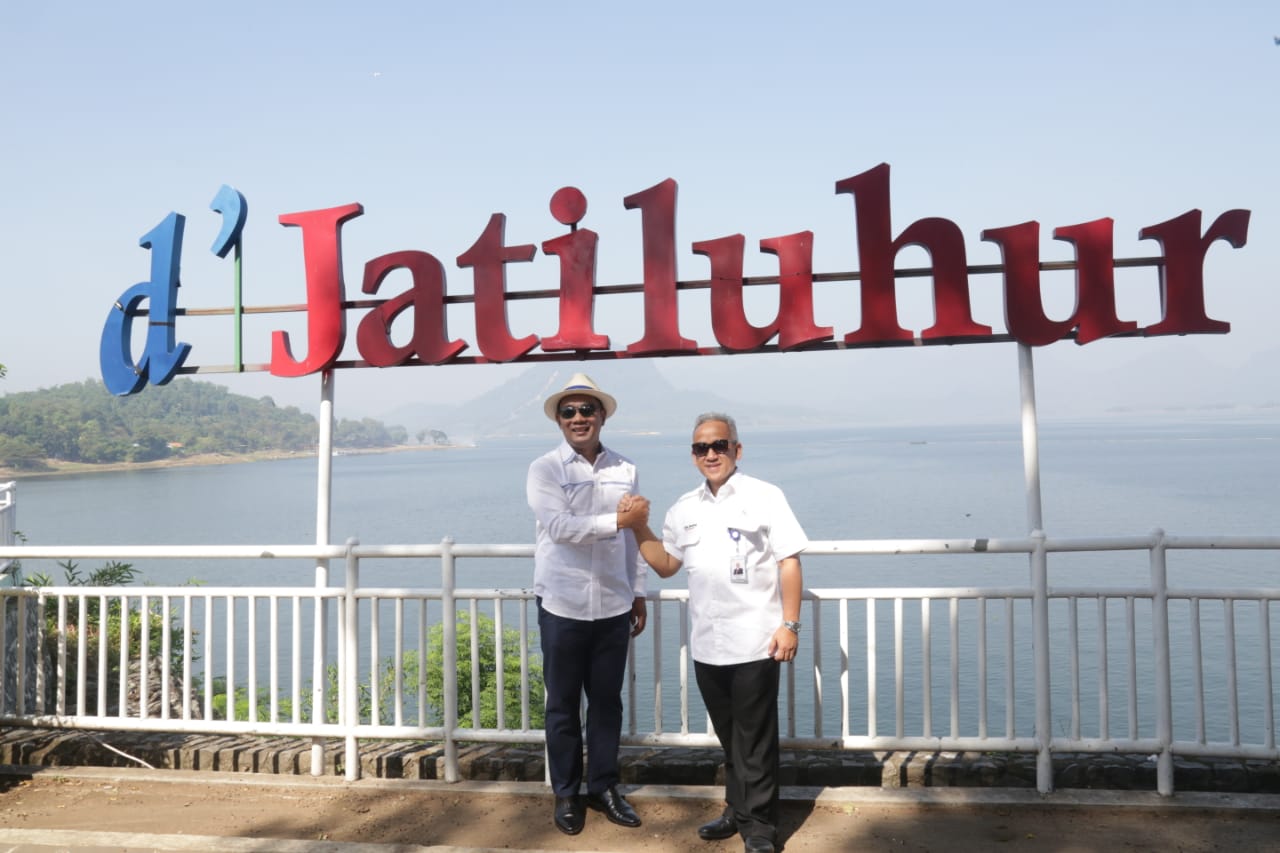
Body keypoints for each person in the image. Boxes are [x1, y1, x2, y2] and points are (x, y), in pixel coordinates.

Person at [632, 412, 807, 853]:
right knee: (730, 737)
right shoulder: (683, 508)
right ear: (693, 455)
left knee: (756, 739)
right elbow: (667, 564)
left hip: (757, 640)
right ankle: (736, 809)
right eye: (701, 448)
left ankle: (760, 826)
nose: (710, 454)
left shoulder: (765, 496)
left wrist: (789, 624)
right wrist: (637, 526)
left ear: (736, 449)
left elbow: (789, 561)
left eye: (719, 445)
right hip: (708, 643)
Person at [526, 372, 650, 836]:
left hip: (614, 603)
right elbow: (560, 528)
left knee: (606, 704)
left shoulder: (626, 468)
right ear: (559, 420)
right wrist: (618, 519)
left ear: (602, 415)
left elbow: (633, 540)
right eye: (569, 411)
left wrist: (638, 590)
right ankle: (566, 793)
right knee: (561, 705)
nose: (578, 418)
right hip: (563, 603)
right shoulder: (545, 469)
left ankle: (603, 787)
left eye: (586, 409)